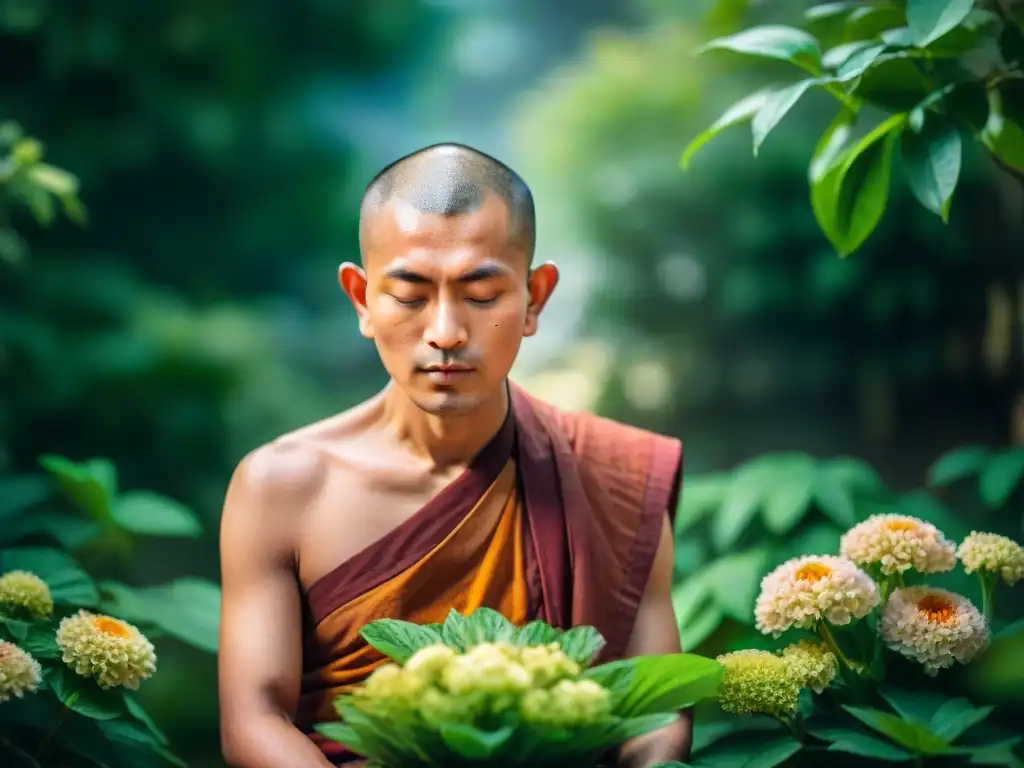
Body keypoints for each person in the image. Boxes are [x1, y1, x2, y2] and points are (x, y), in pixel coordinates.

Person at [217, 143, 689, 767]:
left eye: (483, 294)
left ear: (535, 299)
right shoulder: (283, 488)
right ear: (362, 300)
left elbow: (655, 717)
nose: (445, 331)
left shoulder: (612, 475)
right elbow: (254, 720)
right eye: (410, 295)